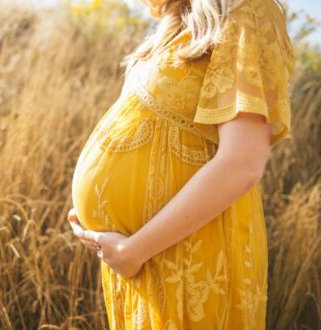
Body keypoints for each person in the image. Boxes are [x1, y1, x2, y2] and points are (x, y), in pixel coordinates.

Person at [68, 0, 295, 328]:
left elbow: (243, 163)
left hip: (189, 256)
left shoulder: (249, 11)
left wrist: (134, 250)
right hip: (142, 257)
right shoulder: (176, 22)